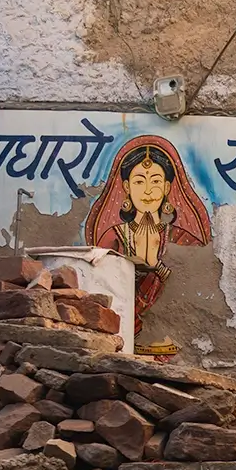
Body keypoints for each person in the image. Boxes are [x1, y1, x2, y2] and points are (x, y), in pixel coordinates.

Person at [85, 136, 212, 333]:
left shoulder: (180, 239)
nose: (147, 191)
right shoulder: (114, 237)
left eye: (155, 181)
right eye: (139, 181)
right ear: (126, 187)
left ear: (166, 188)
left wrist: (157, 268)